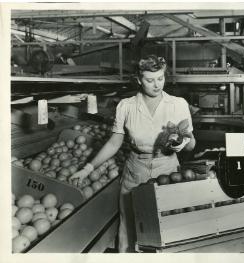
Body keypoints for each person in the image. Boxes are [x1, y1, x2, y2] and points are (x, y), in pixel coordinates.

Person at [69, 55, 196, 252]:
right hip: (136, 171)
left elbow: (191, 143)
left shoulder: (178, 104)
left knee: (169, 228)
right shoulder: (126, 106)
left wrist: (183, 143)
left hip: (168, 168)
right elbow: (114, 143)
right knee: (129, 227)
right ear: (138, 79)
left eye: (160, 78)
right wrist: (87, 169)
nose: (156, 85)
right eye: (150, 80)